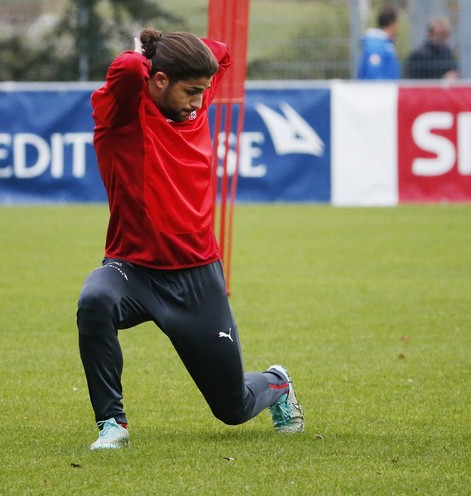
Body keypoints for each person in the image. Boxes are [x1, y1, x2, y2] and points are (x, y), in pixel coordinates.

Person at [77, 28, 304, 450]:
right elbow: (128, 67)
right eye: (192, 91)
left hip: (196, 275)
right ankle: (113, 424)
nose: (200, 101)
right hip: (133, 269)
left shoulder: (190, 100)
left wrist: (169, 48)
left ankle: (278, 384)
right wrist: (148, 51)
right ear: (158, 80)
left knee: (232, 409)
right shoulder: (123, 113)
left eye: (204, 90)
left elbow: (221, 53)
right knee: (94, 300)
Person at [357, 5, 401, 80]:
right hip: (380, 91)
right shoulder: (376, 46)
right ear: (392, 23)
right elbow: (374, 75)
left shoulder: (384, 44)